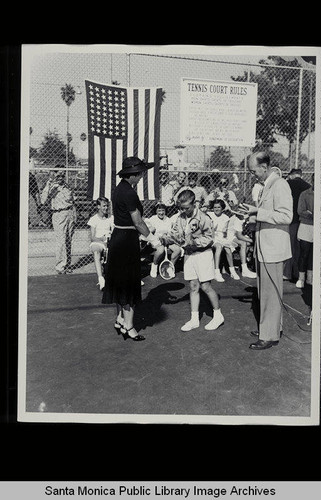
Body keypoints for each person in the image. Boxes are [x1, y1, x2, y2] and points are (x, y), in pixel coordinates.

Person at [102, 157, 161, 342]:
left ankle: (120, 319)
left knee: (120, 282)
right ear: (133, 175)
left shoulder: (119, 189)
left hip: (118, 239)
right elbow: (138, 222)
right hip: (127, 242)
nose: (142, 176)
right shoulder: (129, 194)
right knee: (129, 283)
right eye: (140, 173)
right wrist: (153, 240)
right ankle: (129, 326)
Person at [242, 152, 293, 350]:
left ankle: (269, 336)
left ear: (264, 167)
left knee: (270, 293)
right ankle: (269, 327)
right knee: (265, 292)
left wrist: (258, 213)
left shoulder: (280, 184)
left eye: (253, 170)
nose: (253, 174)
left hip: (273, 250)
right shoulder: (266, 186)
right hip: (264, 249)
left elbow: (286, 216)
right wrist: (253, 218)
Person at [161, 189, 224, 332]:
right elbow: (176, 234)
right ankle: (194, 319)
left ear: (194, 203)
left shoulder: (204, 217)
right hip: (189, 255)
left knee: (205, 287)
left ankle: (218, 315)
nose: (184, 211)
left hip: (203, 254)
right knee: (193, 286)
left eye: (186, 208)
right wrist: (166, 239)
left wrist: (193, 243)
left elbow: (209, 238)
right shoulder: (180, 218)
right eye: (181, 208)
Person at [41, 167, 77, 274]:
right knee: (61, 241)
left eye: (62, 175)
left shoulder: (67, 186)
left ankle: (67, 264)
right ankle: (60, 266)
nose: (61, 177)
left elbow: (73, 200)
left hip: (69, 212)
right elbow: (43, 201)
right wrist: (49, 186)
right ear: (54, 174)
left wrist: (74, 215)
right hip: (58, 213)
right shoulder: (51, 186)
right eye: (58, 175)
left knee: (68, 240)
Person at [283, 168, 311, 282]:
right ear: (301, 175)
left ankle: (287, 273)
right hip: (305, 221)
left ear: (291, 175)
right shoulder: (308, 186)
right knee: (302, 249)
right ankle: (300, 273)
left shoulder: (287, 184)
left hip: (291, 220)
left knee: (289, 246)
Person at [144, 202, 182, 278]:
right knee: (160, 250)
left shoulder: (168, 220)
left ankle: (169, 267)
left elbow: (170, 232)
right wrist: (158, 237)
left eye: (163, 210)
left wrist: (166, 236)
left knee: (177, 250)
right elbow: (150, 231)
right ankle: (154, 266)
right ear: (156, 211)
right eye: (159, 211)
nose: (161, 213)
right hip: (156, 241)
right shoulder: (152, 219)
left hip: (167, 240)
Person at [207, 199, 240, 282]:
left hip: (221, 237)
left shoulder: (225, 218)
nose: (216, 209)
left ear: (222, 208)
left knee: (228, 249)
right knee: (218, 247)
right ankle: (216, 272)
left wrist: (225, 241)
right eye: (215, 207)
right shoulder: (209, 215)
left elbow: (224, 232)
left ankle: (232, 271)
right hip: (212, 237)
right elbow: (210, 231)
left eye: (219, 207)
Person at [87, 197, 114, 290]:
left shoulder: (111, 218)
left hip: (109, 242)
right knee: (96, 251)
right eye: (104, 206)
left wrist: (110, 239)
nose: (106, 208)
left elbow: (114, 232)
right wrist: (101, 239)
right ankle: (101, 279)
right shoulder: (93, 219)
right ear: (98, 207)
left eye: (107, 206)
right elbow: (92, 237)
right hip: (97, 242)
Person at [296, 175, 314, 289]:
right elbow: (300, 211)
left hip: (316, 227)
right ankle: (301, 279)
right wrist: (310, 214)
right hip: (306, 227)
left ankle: (310, 278)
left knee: (314, 254)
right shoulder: (304, 194)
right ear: (312, 180)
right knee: (304, 253)